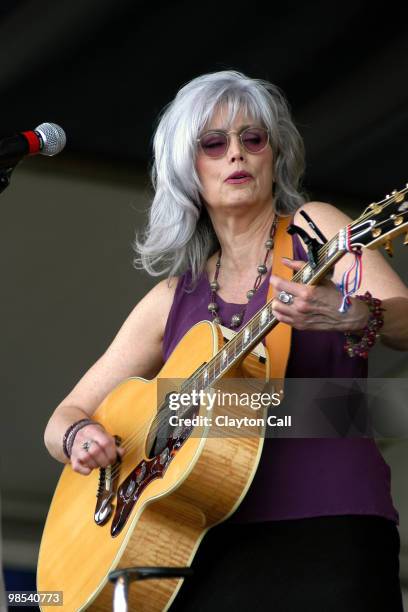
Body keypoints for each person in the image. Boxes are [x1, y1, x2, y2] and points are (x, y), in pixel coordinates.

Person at [43, 70, 408, 611]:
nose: (236, 154)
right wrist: (80, 438)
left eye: (252, 139)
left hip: (329, 522)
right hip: (204, 539)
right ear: (187, 170)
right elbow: (62, 418)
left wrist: (350, 314)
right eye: (213, 144)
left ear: (273, 155)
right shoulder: (174, 295)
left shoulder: (314, 227)